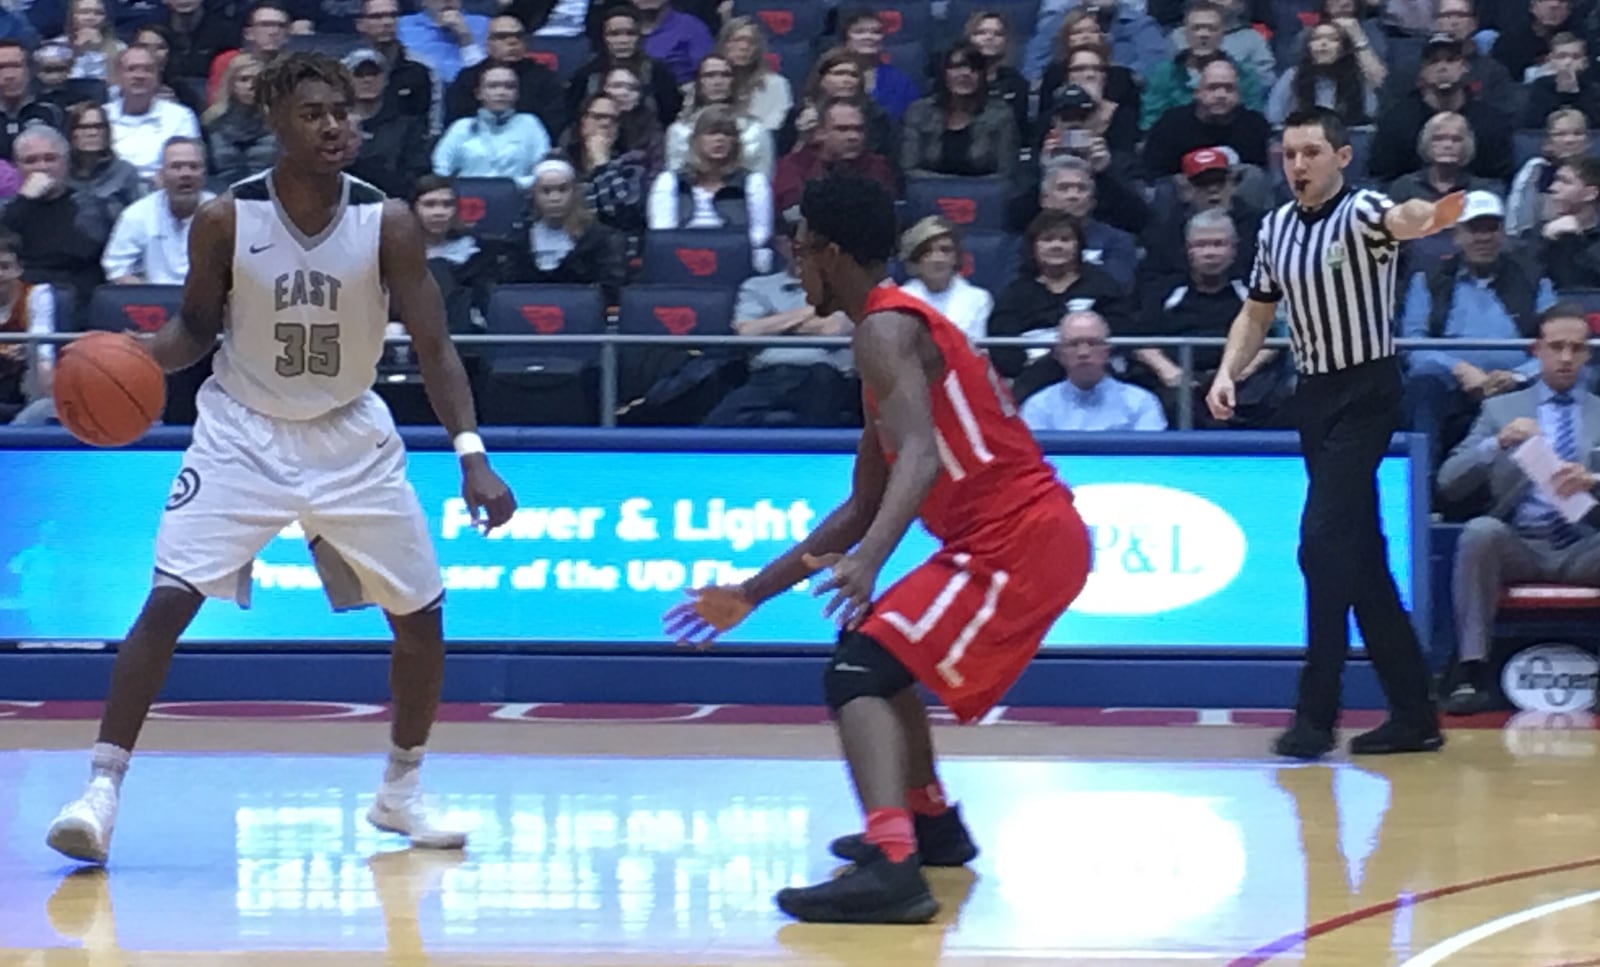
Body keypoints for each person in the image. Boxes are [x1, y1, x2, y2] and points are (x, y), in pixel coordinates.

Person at [44, 51, 517, 866]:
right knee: (166, 603)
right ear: (274, 122)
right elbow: (195, 327)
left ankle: (400, 791)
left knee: (423, 620)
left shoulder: (388, 221)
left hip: (349, 435)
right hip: (242, 431)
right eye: (314, 113)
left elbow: (436, 349)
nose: (336, 125)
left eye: (343, 111)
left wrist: (472, 454)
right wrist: (137, 356)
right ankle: (100, 790)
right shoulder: (227, 219)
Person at [665, 172, 1092, 923]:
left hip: (1018, 538)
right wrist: (751, 592)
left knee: (858, 667)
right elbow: (864, 502)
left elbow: (921, 459)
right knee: (876, 648)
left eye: (799, 254)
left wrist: (868, 565)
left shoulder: (885, 329)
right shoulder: (886, 333)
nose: (796, 270)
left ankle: (894, 864)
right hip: (1002, 535)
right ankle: (928, 824)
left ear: (829, 253)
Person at [1205, 107, 1458, 760]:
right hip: (1314, 396)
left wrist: (1428, 217)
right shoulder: (1275, 228)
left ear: (1341, 158)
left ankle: (1316, 714)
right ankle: (1414, 712)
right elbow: (1257, 314)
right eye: (1289, 154)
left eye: (1311, 152)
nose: (1298, 165)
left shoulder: (1365, 210)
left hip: (1369, 389)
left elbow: (1402, 221)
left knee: (1320, 543)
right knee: (1361, 559)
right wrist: (1226, 374)